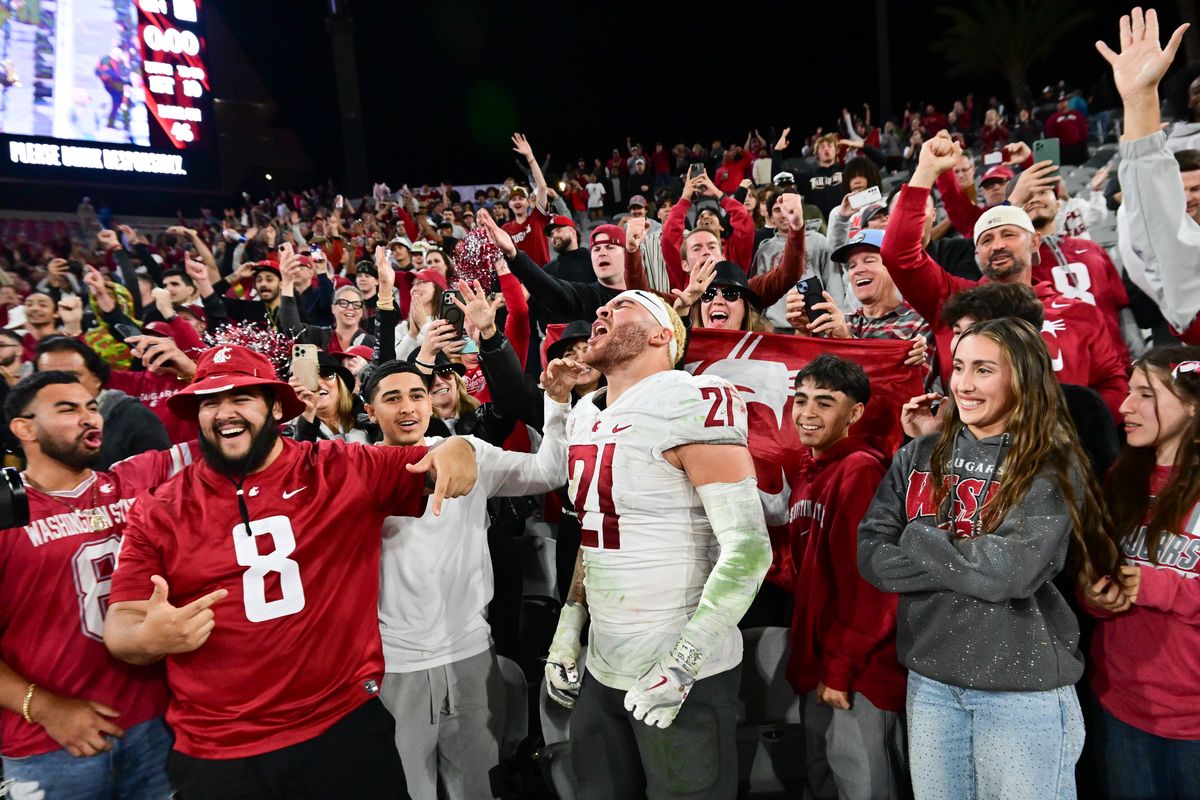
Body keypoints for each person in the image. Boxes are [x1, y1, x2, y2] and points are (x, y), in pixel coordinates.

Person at [102, 345, 478, 798]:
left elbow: (438, 460)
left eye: (240, 398)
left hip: (340, 725)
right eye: (210, 402)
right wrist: (147, 639)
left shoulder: (341, 468)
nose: (224, 413)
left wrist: (457, 448)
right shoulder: (159, 509)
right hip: (218, 747)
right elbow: (121, 624)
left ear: (276, 406)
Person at [859, 316, 1121, 800]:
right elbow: (873, 555)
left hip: (1021, 692)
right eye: (958, 367)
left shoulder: (1051, 462)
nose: (963, 383)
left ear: (1021, 377)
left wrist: (918, 537)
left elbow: (1011, 573)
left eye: (983, 369)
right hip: (931, 682)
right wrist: (965, 559)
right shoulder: (919, 453)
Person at [544, 290, 771, 799]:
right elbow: (597, 528)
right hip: (604, 663)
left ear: (661, 334)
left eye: (622, 306)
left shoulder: (690, 397)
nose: (601, 310)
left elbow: (750, 549)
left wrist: (681, 666)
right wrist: (570, 622)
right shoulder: (584, 412)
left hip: (681, 668)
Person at [366, 358, 572, 800]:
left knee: (478, 790)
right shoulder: (355, 470)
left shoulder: (471, 451)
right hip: (392, 666)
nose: (408, 407)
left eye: (417, 395)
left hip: (471, 655)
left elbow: (551, 471)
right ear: (369, 411)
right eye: (392, 398)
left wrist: (557, 403)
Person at [0, 372, 196, 799]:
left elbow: (229, 436)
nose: (89, 418)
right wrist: (48, 708)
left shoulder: (133, 480)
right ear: (24, 428)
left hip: (156, 725)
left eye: (92, 407)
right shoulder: (6, 514)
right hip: (49, 742)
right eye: (68, 409)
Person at [881, 131, 1129, 420]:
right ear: (976, 253)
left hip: (1059, 455)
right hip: (972, 455)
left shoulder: (1080, 313)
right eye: (985, 240)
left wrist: (1072, 434)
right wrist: (925, 171)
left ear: (1034, 243)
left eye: (1008, 235)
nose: (997, 245)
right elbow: (898, 254)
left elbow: (1113, 384)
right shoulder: (954, 300)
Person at [773, 355, 907, 800]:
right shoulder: (808, 471)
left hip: (858, 674)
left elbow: (873, 589)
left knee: (864, 788)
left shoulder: (860, 472)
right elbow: (806, 571)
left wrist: (840, 667)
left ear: (855, 413)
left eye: (825, 403)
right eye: (801, 399)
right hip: (820, 667)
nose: (807, 413)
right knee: (824, 781)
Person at [1082, 345, 1200, 800]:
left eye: (1145, 394)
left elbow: (1159, 584)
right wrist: (1098, 596)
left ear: (1192, 405)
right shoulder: (1121, 478)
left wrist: (1156, 586)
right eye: (1128, 392)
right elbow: (1097, 573)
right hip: (1121, 705)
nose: (1125, 406)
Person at [1101, 8, 1200, 344]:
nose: (1189, 198)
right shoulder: (1187, 268)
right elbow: (1162, 229)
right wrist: (1140, 99)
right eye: (1184, 190)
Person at [34, 337, 171, 469]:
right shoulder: (33, 421)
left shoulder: (134, 416)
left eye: (71, 377)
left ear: (97, 379)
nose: (60, 386)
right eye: (48, 378)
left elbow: (161, 473)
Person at [501, 134, 552, 266]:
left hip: (543, 277)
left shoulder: (538, 217)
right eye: (513, 199)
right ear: (509, 205)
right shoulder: (505, 228)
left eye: (521, 198)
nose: (517, 201)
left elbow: (542, 187)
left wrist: (530, 158)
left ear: (529, 202)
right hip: (519, 281)